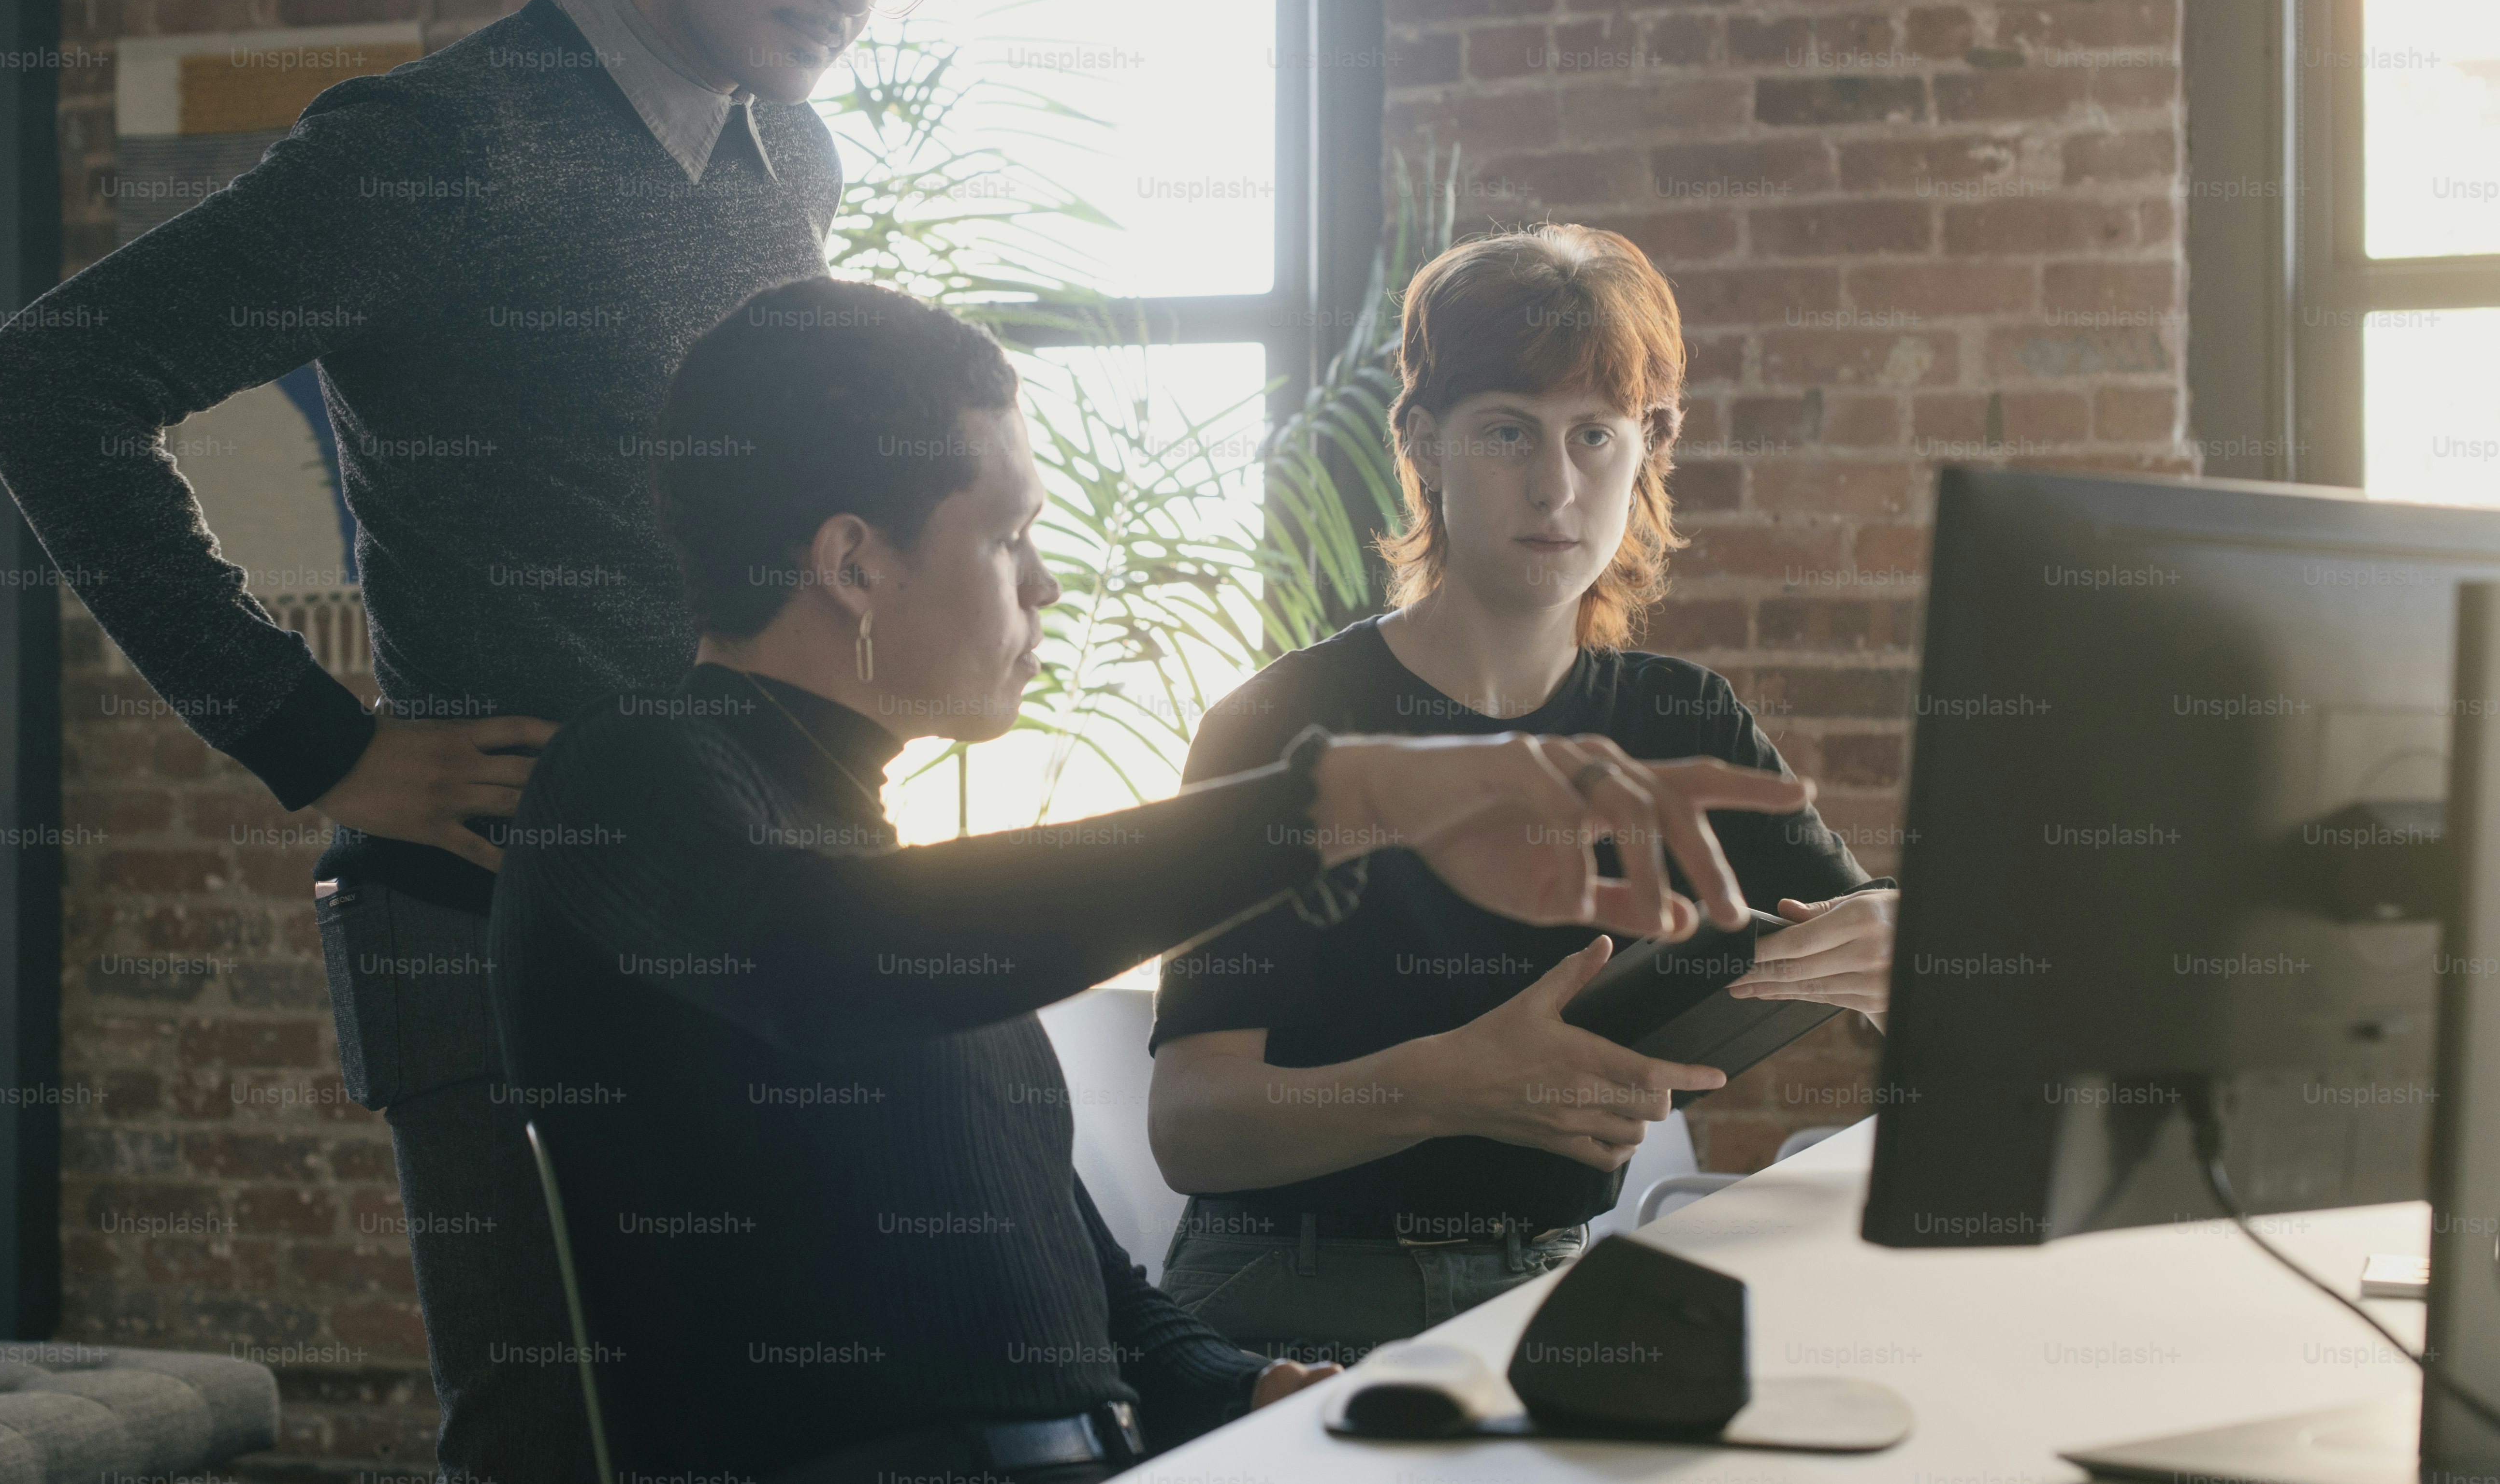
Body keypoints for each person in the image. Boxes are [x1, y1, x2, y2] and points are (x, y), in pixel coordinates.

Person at [0, 0, 937, 1475]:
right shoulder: (437, 145)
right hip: (491, 918)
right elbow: (47, 383)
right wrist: (317, 740)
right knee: (560, 1441)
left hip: (747, 887)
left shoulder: (793, 155)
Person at [486, 277, 1814, 1483]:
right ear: (852, 565)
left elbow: (1076, 1283)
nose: (1047, 583)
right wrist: (1345, 796)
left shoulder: (876, 867)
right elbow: (833, 964)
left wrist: (1246, 1385)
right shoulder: (630, 784)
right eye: (1008, 537)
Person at [1144, 225, 1901, 1364]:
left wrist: (1908, 952)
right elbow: (1192, 1128)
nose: (1556, 486)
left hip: (1549, 1288)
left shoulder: (1680, 719)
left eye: (1595, 436)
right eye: (1507, 431)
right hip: (1291, 1297)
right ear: (1424, 445)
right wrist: (1445, 1087)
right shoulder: (1277, 727)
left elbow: (1884, 955)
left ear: (1650, 446)